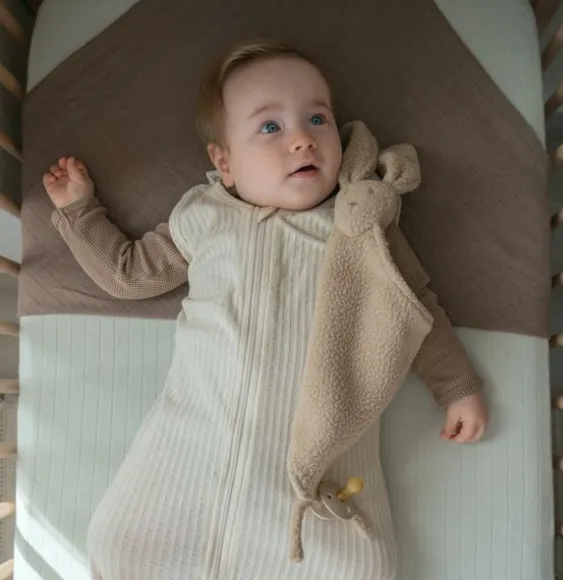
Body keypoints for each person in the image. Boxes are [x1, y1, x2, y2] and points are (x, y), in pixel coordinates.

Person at [43, 39, 488, 580]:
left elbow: (412, 304)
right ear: (225, 162)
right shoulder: (205, 217)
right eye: (270, 126)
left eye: (318, 119)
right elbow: (130, 274)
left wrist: (456, 385)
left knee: (361, 567)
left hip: (313, 465)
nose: (302, 138)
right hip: (191, 447)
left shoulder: (359, 226)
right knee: (120, 544)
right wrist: (80, 211)